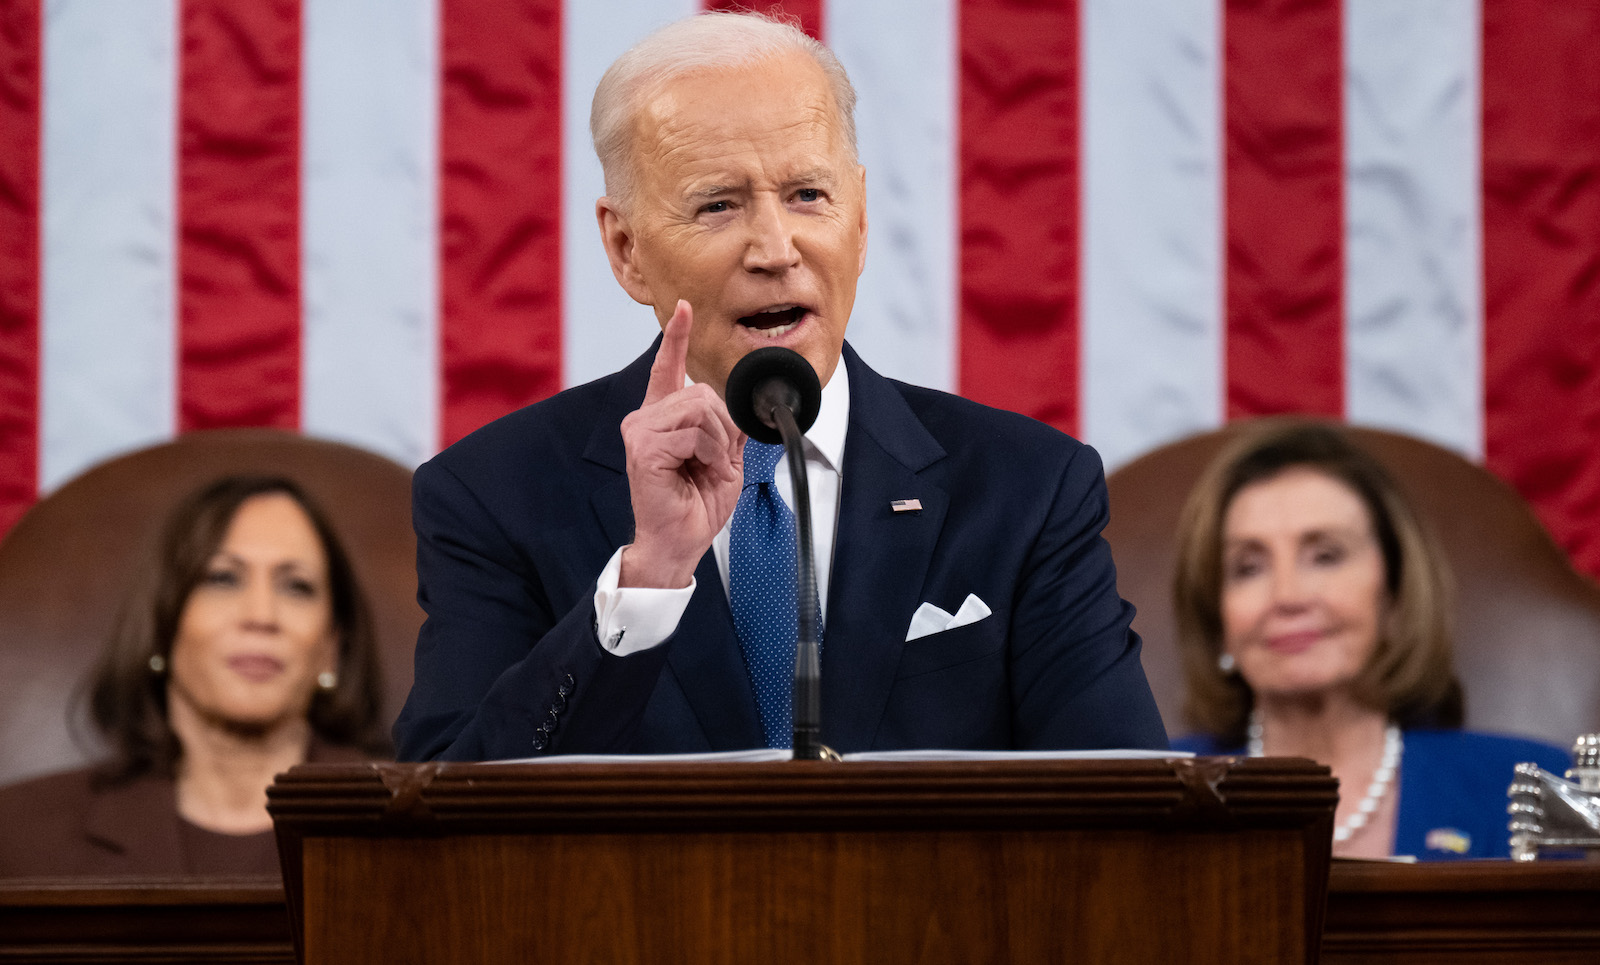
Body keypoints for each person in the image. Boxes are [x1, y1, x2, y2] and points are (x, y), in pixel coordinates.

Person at [394, 11, 1166, 761]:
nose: (774, 247)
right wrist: (649, 578)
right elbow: (444, 820)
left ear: (859, 222)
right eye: (718, 205)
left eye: (807, 195)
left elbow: (1129, 813)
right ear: (627, 250)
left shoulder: (1028, 489)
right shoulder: (492, 496)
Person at [1168, 419, 1570, 860]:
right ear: (1217, 617)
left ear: (1394, 595)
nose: (1287, 596)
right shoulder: (1155, 799)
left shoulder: (1529, 789)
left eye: (1326, 556)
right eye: (1248, 567)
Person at [0, 476, 388, 878]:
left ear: (331, 647)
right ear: (161, 628)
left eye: (297, 587)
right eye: (222, 578)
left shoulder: (415, 833)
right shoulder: (17, 838)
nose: (261, 616)